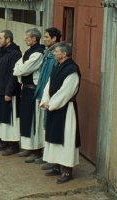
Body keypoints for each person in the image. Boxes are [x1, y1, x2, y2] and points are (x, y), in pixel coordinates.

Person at [40, 42, 81, 184]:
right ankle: (57, 166)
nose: (54, 53)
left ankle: (67, 170)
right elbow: (48, 85)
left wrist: (51, 104)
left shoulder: (72, 70)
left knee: (66, 139)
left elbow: (66, 91)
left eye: (56, 51)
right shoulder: (57, 66)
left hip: (66, 109)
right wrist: (45, 100)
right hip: (54, 107)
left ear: (64, 54)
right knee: (54, 137)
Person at [13, 28, 46, 163]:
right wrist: (20, 70)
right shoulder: (28, 52)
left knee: (34, 120)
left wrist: (20, 70)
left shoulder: (38, 53)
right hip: (25, 89)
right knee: (26, 118)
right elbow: (17, 67)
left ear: (34, 38)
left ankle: (36, 150)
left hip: (33, 90)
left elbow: (24, 69)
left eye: (27, 37)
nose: (25, 39)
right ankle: (27, 147)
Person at [0, 30, 22, 156]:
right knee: (2, 119)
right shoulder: (2, 53)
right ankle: (4, 141)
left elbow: (13, 75)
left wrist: (9, 91)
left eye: (1, 38)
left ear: (8, 39)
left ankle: (13, 144)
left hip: (9, 93)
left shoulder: (15, 53)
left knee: (10, 120)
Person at [34, 27, 62, 168]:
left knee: (50, 127)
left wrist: (47, 96)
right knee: (45, 126)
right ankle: (47, 156)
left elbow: (50, 79)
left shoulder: (55, 56)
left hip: (52, 97)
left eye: (46, 37)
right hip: (45, 95)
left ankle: (52, 160)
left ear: (54, 39)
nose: (44, 39)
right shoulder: (48, 53)